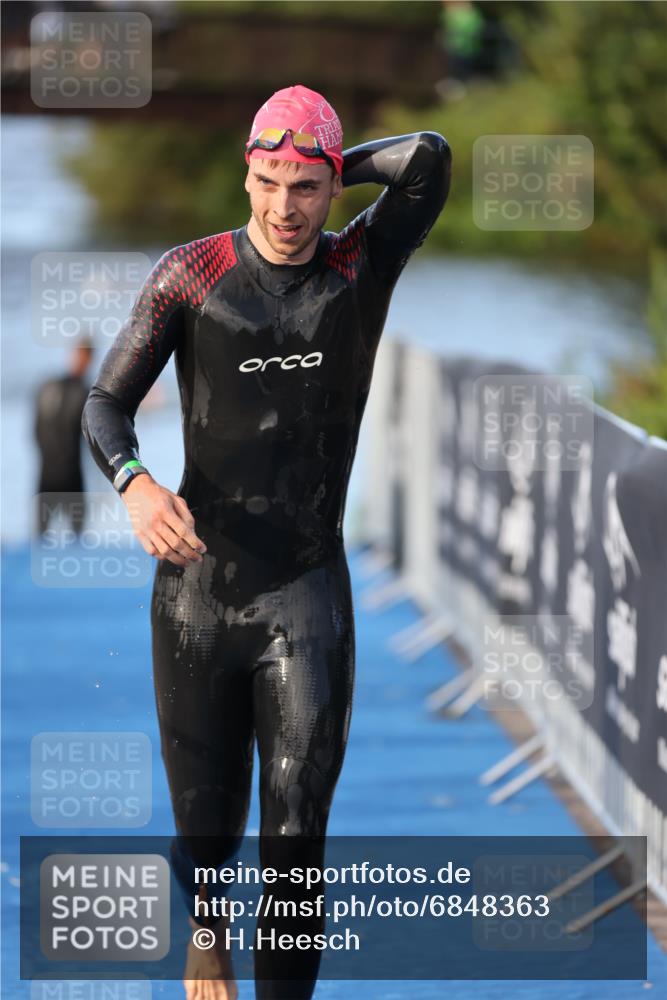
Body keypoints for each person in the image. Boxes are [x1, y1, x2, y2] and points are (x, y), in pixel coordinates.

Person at [82, 84, 451, 1000]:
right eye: (267, 180)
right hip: (198, 594)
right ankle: (205, 929)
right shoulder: (193, 272)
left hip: (305, 593)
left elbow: (430, 158)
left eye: (306, 188)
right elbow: (104, 402)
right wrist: (134, 484)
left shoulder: (359, 267)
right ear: (243, 173)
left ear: (331, 191)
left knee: (295, 841)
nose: (284, 208)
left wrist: (333, 156)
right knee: (206, 832)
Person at [34, 337, 94, 537]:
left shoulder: (50, 386)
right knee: (47, 536)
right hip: (62, 472)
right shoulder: (82, 392)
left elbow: (37, 430)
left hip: (53, 472)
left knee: (47, 535)